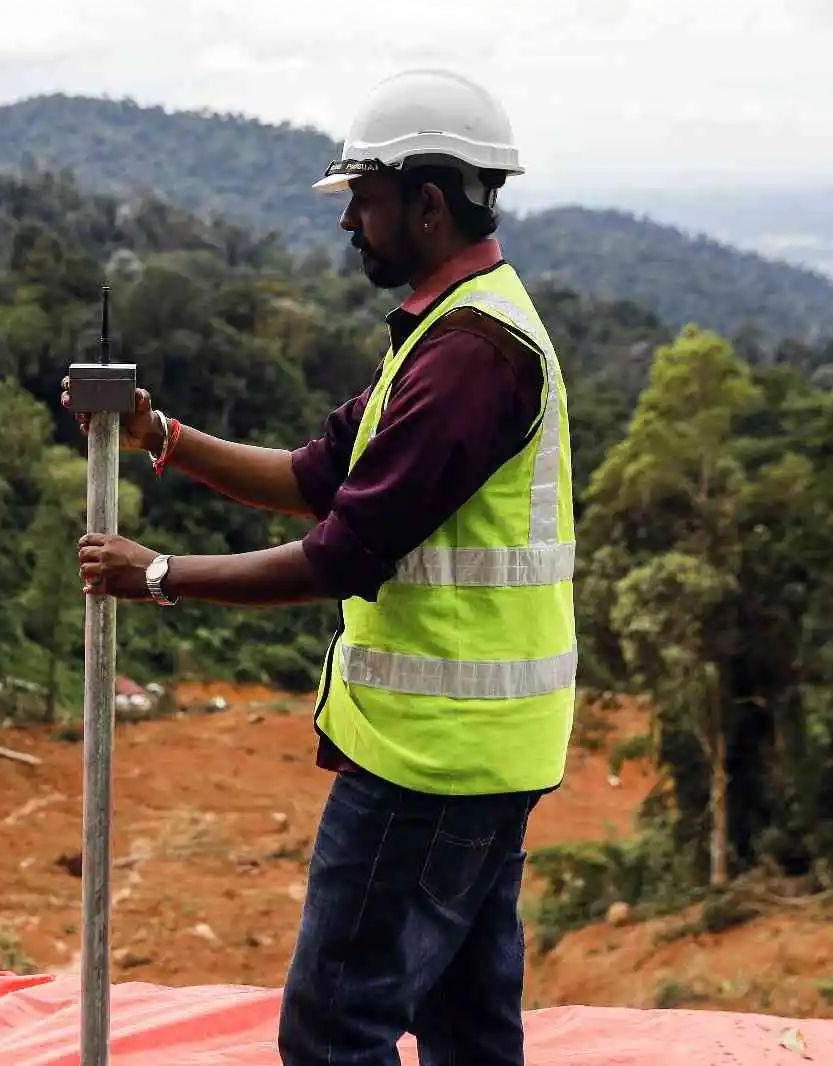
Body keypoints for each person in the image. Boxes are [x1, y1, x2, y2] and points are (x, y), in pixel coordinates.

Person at [64, 68, 576, 1066]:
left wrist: (159, 573)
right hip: (481, 754)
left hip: (430, 762)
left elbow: (342, 552)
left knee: (335, 1026)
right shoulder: (447, 332)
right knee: (470, 1028)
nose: (350, 225)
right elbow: (313, 476)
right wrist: (158, 433)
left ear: (427, 204)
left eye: (365, 201)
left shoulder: (473, 357)